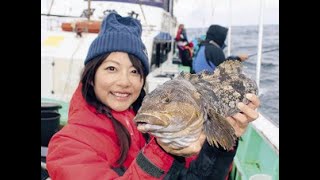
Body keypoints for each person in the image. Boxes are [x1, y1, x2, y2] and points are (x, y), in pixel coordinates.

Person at [46, 12, 260, 180]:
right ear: (91, 77)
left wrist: (222, 143)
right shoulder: (67, 145)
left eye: (135, 71)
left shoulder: (151, 127)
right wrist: (161, 151)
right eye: (111, 68)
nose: (125, 81)